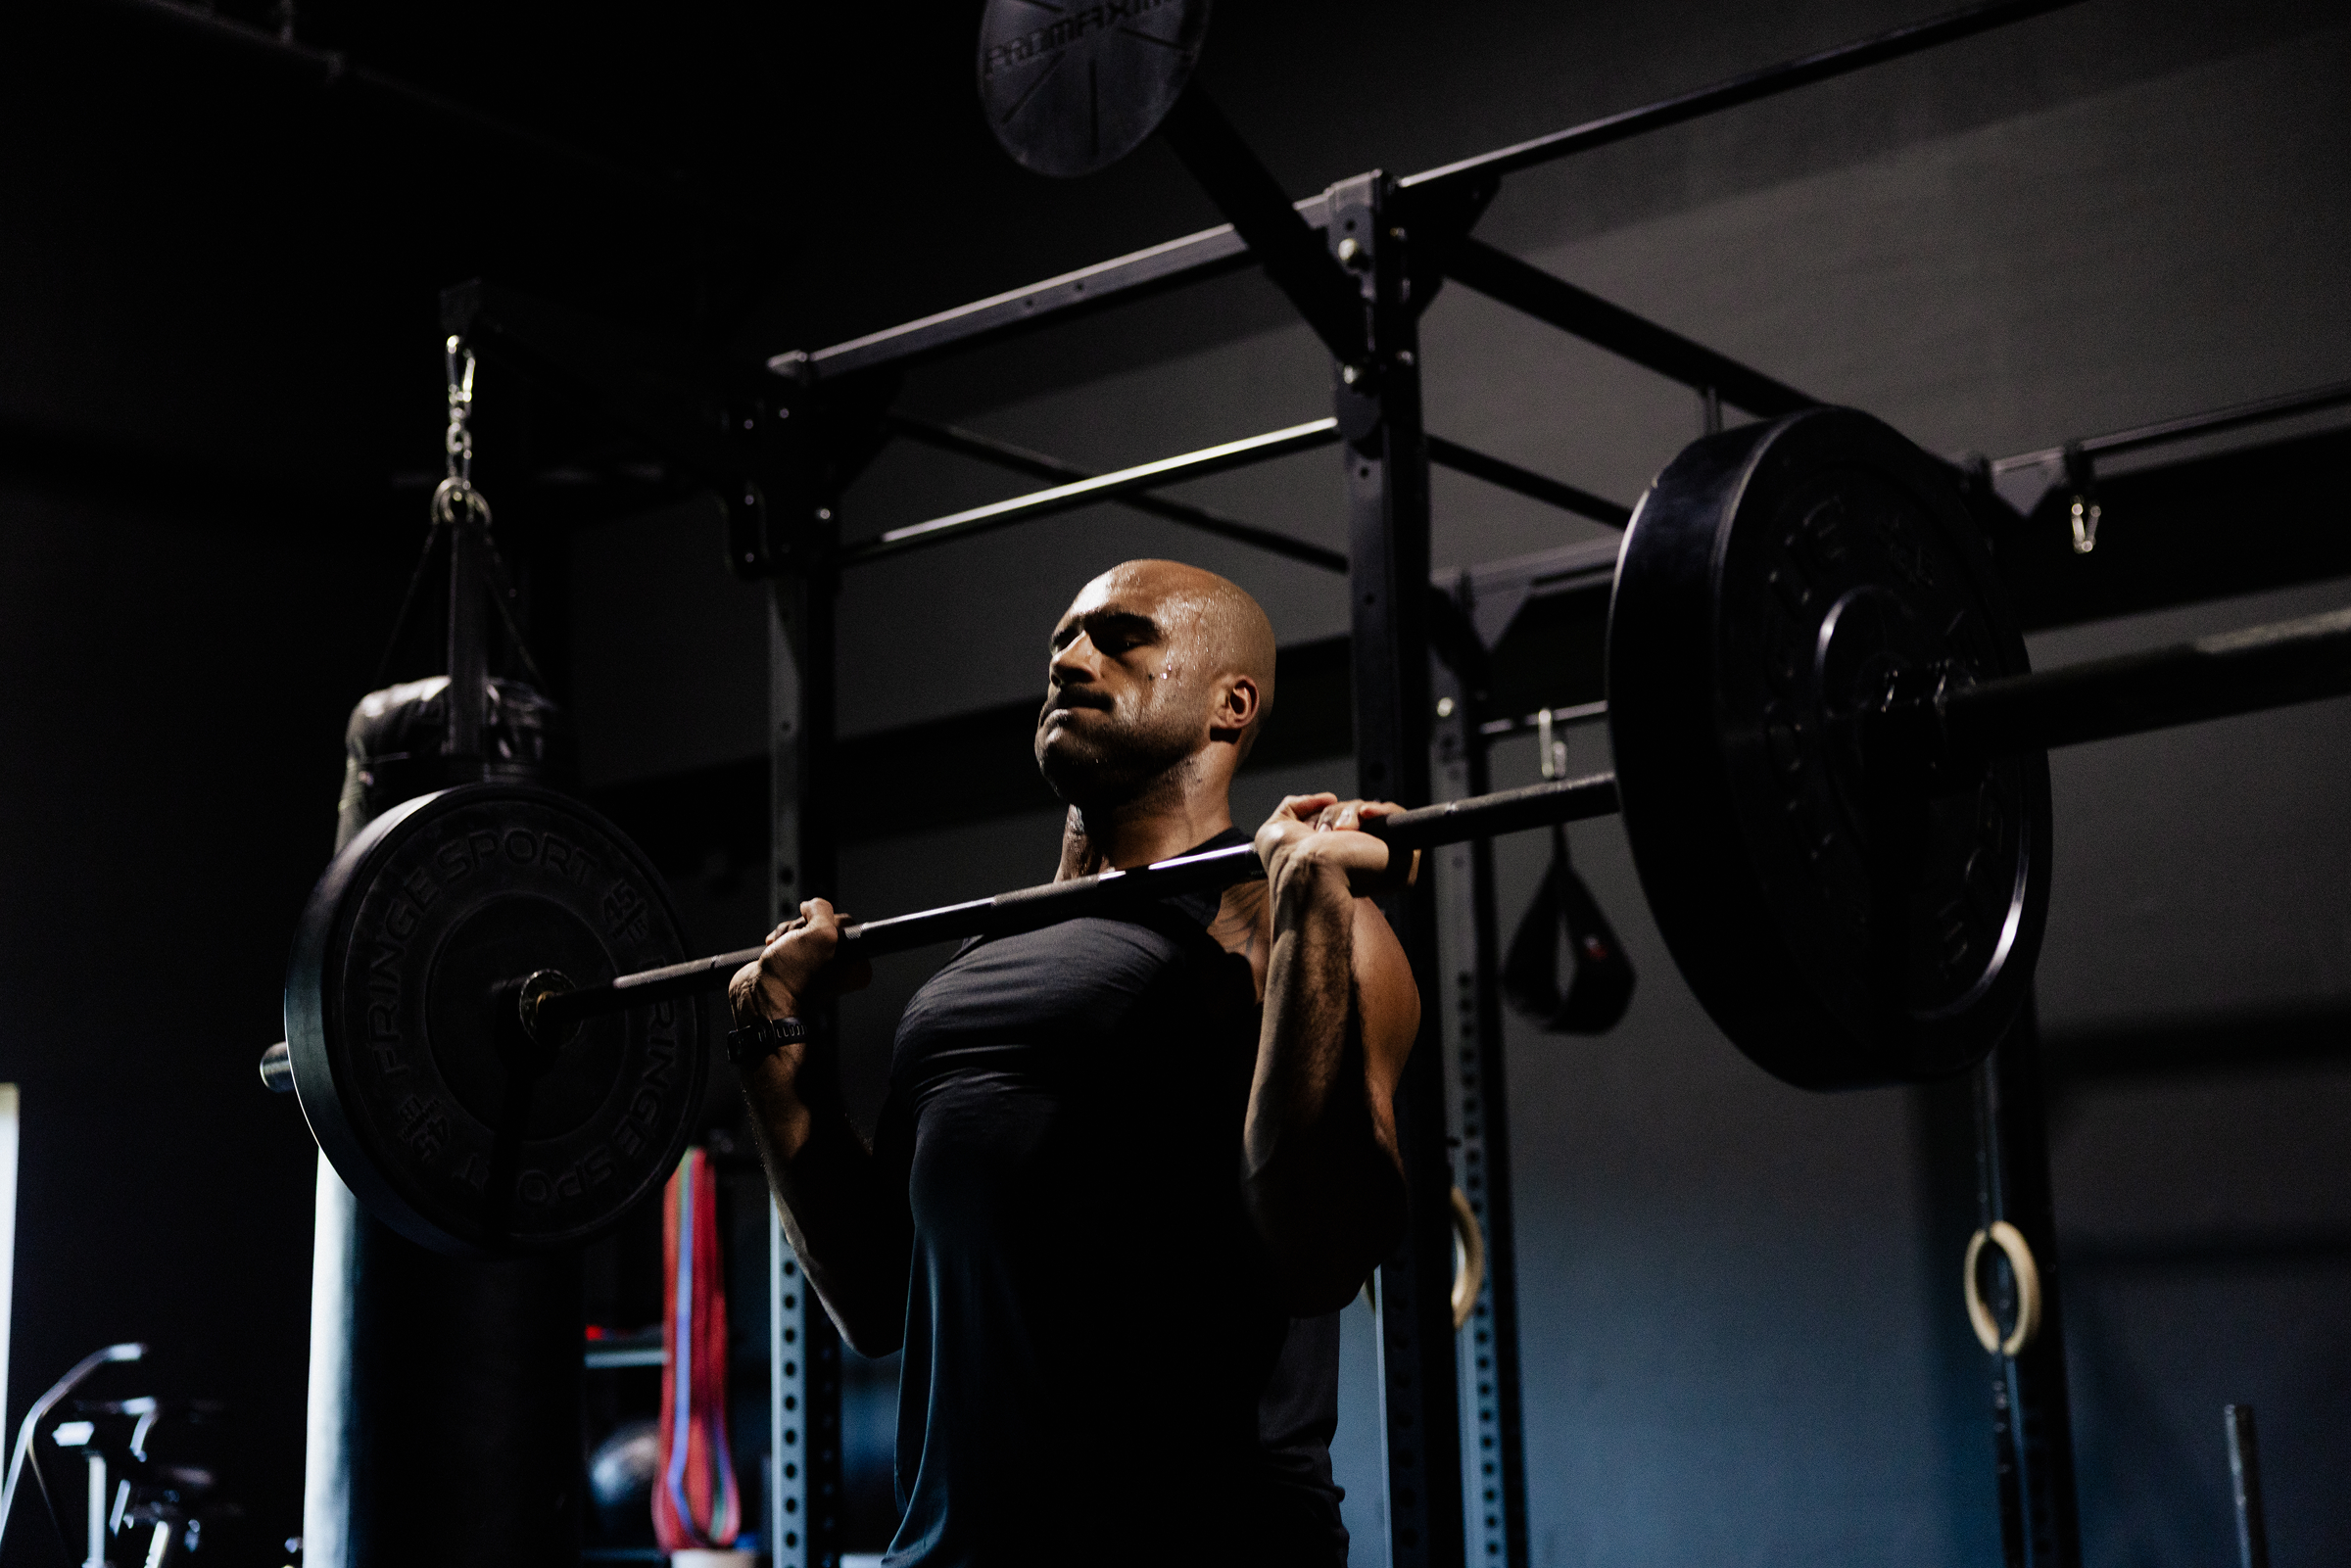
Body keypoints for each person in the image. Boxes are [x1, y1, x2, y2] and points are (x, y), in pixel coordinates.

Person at [728, 559, 1420, 1567]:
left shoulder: (1280, 918)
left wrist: (1313, 901)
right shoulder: (971, 971)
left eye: (1121, 639)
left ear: (1234, 704)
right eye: (1059, 644)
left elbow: (1317, 1251)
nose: (1070, 662)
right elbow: (877, 1298)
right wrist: (769, 1035)